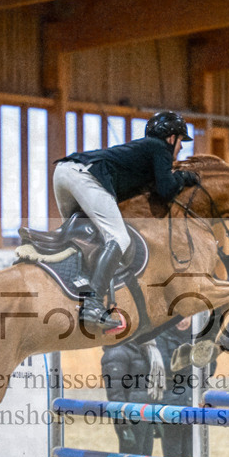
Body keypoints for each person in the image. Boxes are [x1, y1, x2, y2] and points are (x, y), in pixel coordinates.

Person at [53, 111, 200, 330]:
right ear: (171, 138)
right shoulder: (160, 149)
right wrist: (185, 177)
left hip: (63, 173)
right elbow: (167, 189)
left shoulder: (144, 153)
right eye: (181, 141)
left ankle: (73, 288)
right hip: (84, 176)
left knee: (83, 238)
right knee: (119, 238)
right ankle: (92, 303)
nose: (180, 148)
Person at [103, 315, 215, 457]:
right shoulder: (123, 351)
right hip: (138, 414)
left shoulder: (146, 348)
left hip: (148, 412)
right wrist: (123, 425)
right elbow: (116, 393)